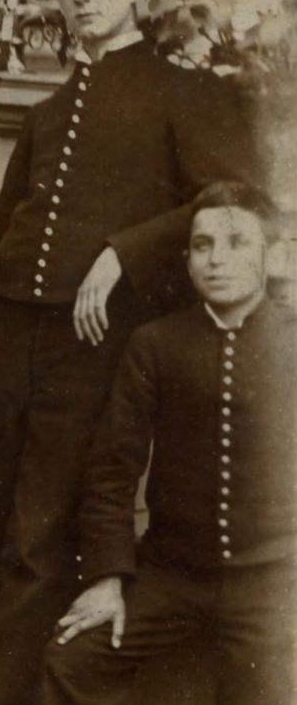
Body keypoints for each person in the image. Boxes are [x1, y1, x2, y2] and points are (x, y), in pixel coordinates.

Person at [0, 0, 260, 705]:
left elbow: (237, 197)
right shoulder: (48, 110)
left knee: (38, 539)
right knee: (2, 530)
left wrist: (126, 251)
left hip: (91, 342)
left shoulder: (186, 89)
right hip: (10, 339)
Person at [41, 182, 294, 705]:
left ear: (274, 256)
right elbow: (112, 469)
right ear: (186, 259)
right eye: (202, 246)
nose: (216, 260)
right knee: (70, 659)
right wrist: (109, 576)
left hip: (274, 583)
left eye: (235, 243)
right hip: (171, 578)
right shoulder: (155, 343)